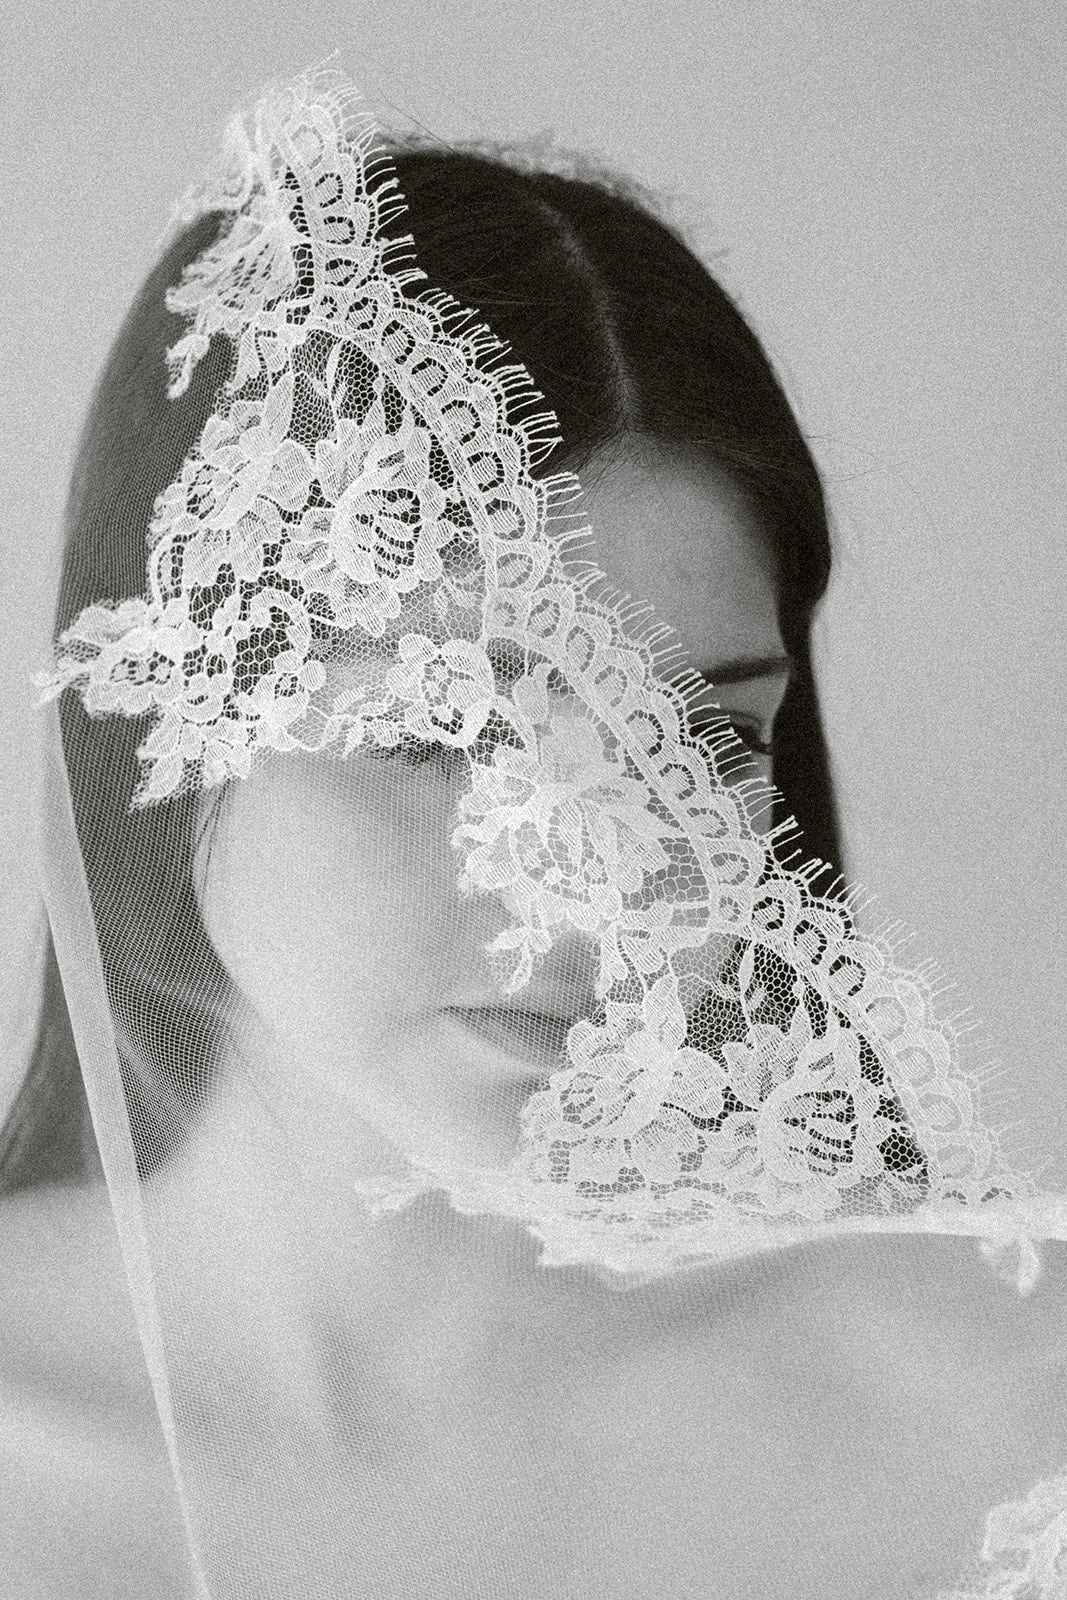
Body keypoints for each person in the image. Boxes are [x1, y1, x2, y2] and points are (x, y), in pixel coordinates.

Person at [2, 67, 1066, 1600]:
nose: (612, 878)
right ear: (164, 729)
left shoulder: (1011, 1412)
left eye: (708, 740)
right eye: (442, 731)